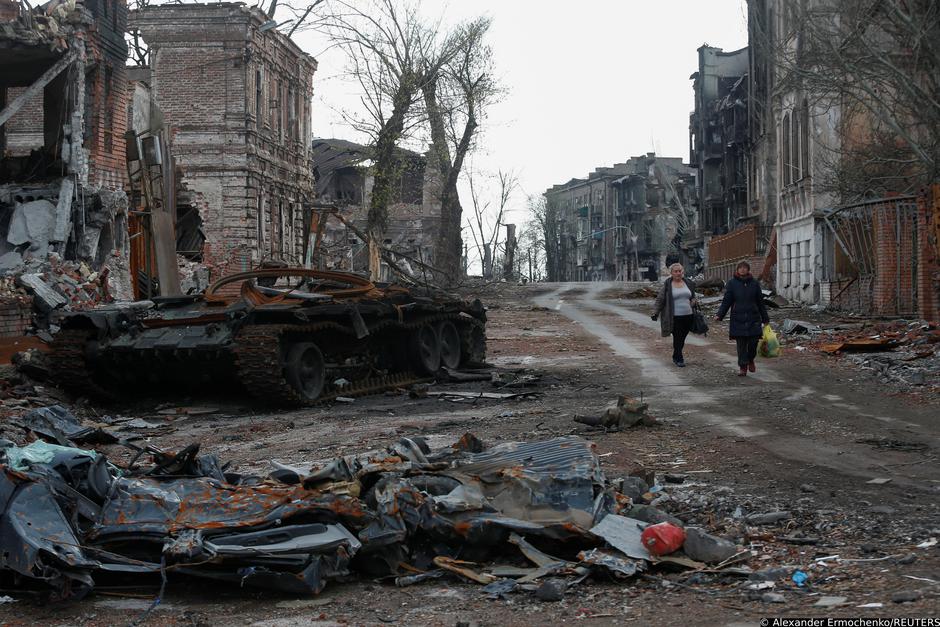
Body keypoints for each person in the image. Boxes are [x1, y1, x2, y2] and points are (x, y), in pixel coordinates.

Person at [714, 261, 770, 376]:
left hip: (753, 317)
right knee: (741, 345)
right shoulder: (732, 283)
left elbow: (760, 302)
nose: (743, 270)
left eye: (745, 268)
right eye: (741, 268)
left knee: (753, 343)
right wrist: (720, 314)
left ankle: (750, 359)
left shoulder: (754, 283)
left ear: (748, 269)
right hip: (738, 318)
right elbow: (727, 301)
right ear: (737, 269)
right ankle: (743, 367)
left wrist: (765, 318)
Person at [651, 263, 698, 367]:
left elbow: (692, 297)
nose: (678, 273)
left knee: (682, 338)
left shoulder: (688, 283)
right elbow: (660, 299)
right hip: (674, 317)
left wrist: (694, 301)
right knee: (677, 337)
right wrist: (655, 312)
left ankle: (676, 355)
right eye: (675, 271)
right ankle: (679, 358)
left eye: (680, 271)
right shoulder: (668, 285)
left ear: (683, 272)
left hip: (688, 315)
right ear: (671, 273)